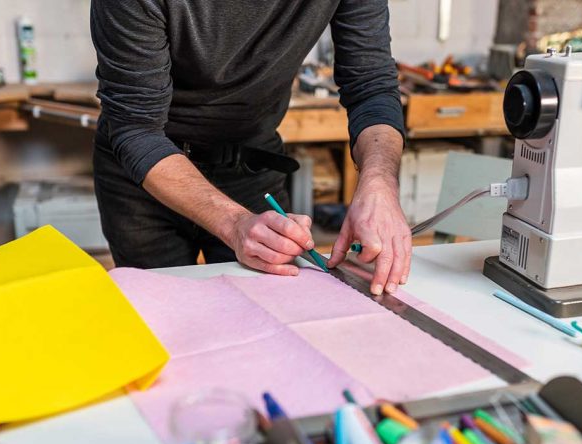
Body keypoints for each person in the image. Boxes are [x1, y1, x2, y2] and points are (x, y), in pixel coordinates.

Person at [91, 0, 411, 295]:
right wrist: (235, 223)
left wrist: (380, 184)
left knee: (275, 313)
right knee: (166, 323)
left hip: (252, 165)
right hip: (148, 179)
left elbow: (371, 86)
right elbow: (137, 129)